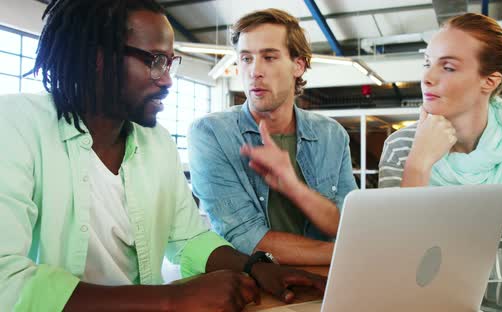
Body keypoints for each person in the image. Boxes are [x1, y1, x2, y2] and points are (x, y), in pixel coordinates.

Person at [0, 1, 325, 311]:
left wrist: (257, 267)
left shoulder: (155, 142)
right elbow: (6, 280)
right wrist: (171, 300)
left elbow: (187, 238)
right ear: (98, 59)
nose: (168, 79)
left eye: (170, 62)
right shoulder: (15, 126)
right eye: (155, 61)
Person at [378, 13, 502, 287]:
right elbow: (392, 258)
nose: (427, 78)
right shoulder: (401, 146)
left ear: (489, 81)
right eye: (428, 63)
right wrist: (417, 166)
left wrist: (423, 263)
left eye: (448, 67)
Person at [188, 9, 357, 265]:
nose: (255, 71)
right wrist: (343, 254)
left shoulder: (331, 135)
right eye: (246, 58)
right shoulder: (211, 134)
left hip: (327, 281)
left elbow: (344, 224)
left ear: (298, 66)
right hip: (253, 287)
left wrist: (294, 187)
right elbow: (244, 238)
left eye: (269, 57)